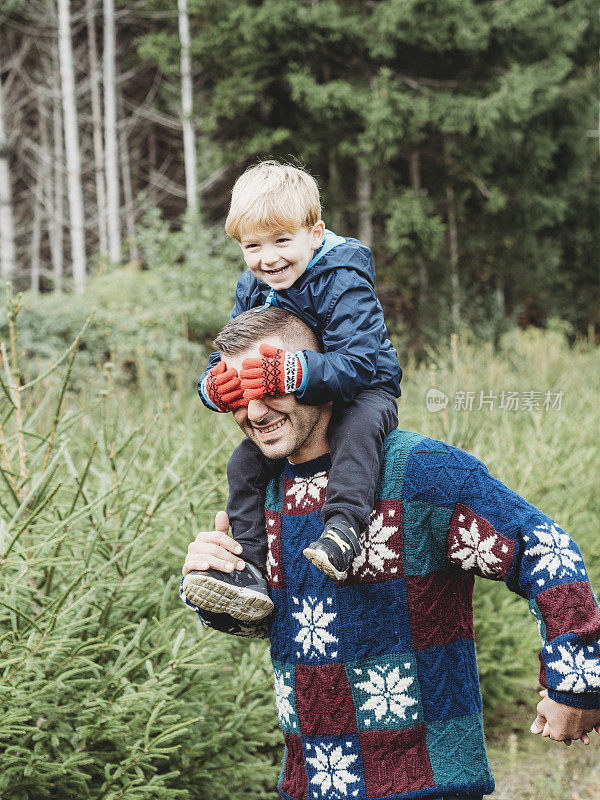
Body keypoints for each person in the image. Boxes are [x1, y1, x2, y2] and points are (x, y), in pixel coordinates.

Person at [181, 308, 600, 800]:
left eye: (270, 386)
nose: (254, 413)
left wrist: (578, 680)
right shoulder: (263, 495)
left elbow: (542, 549)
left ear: (318, 376)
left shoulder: (419, 470)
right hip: (312, 783)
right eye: (238, 395)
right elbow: (278, 625)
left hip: (428, 781)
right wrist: (213, 580)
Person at [185, 161, 402, 622]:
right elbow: (232, 345)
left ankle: (343, 528)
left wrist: (291, 374)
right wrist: (213, 385)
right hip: (300, 396)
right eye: (253, 246)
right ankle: (247, 567)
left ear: (315, 234)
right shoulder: (254, 285)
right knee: (243, 462)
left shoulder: (342, 276)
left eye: (282, 241)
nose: (268, 259)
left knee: (357, 431)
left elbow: (358, 362)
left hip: (366, 388)